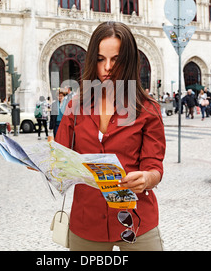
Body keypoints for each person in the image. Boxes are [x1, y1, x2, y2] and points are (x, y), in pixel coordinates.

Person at [55, 21, 165, 251]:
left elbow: (154, 166)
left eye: (115, 59)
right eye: (100, 59)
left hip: (136, 222)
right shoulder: (75, 107)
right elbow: (59, 156)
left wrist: (146, 178)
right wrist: (41, 162)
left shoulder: (148, 109)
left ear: (129, 61)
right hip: (87, 223)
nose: (107, 67)